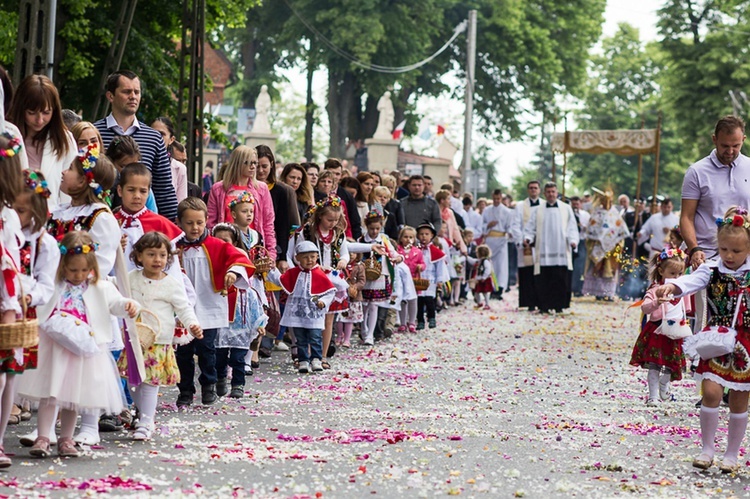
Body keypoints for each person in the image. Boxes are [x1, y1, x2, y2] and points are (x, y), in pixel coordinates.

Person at [22, 231, 138, 458]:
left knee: (73, 396)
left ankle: (66, 438)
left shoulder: (100, 287)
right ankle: (43, 436)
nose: (78, 275)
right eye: (73, 270)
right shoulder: (55, 285)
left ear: (92, 266)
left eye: (84, 270)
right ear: (61, 265)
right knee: (50, 393)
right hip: (53, 347)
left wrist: (129, 306)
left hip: (83, 349)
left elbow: (116, 303)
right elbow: (40, 300)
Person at [655, 206, 750, 473]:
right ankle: (707, 449)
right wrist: (670, 287)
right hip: (717, 339)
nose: (729, 256)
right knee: (710, 392)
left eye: (737, 251)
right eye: (724, 249)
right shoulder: (710, 269)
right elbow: (688, 281)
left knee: (739, 400)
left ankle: (731, 454)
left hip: (746, 343)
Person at [174, 197, 254, 407]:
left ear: (206, 221)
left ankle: (208, 385)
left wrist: (232, 272)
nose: (195, 227)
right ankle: (185, 390)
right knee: (183, 352)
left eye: (199, 222)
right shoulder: (173, 247)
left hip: (208, 305)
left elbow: (240, 259)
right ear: (179, 222)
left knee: (206, 349)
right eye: (189, 223)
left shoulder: (216, 245)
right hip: (182, 308)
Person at [125, 232, 202, 440]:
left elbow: (184, 308)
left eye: (162, 255)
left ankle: (147, 421)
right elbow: (113, 287)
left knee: (150, 382)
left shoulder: (172, 284)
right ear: (139, 256)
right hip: (134, 339)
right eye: (151, 254)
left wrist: (192, 324)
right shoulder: (130, 278)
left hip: (158, 342)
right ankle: (142, 413)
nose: (157, 260)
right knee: (133, 382)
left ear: (169, 257)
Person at [94, 71, 177, 220]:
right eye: (126, 91)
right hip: (100, 220)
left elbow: (164, 190)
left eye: (137, 92)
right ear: (110, 96)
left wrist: (171, 231)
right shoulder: (94, 134)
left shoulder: (154, 138)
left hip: (143, 227)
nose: (133, 96)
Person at [210, 224, 266, 398]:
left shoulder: (244, 284)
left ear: (234, 242)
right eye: (217, 240)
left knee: (238, 357)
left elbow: (253, 301)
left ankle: (238, 384)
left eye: (225, 240)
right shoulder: (210, 260)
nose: (221, 244)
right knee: (218, 356)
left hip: (240, 322)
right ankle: (220, 379)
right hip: (220, 319)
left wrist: (259, 323)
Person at [629, 246, 688, 407]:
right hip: (657, 330)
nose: (676, 278)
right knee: (654, 364)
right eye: (672, 274)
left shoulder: (683, 290)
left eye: (679, 274)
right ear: (661, 271)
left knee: (671, 364)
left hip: (675, 330)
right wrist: (657, 302)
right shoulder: (655, 289)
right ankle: (653, 395)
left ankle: (664, 385)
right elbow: (645, 307)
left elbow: (687, 310)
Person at [8, 74, 76, 209]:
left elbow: (70, 190)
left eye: (46, 112)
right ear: (21, 108)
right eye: (32, 112)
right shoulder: (7, 137)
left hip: (51, 221)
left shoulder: (64, 140)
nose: (39, 120)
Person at [113, 163, 184, 279]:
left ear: (149, 192)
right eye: (131, 190)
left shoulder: (160, 224)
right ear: (120, 190)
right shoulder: (110, 221)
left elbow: (172, 270)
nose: (137, 196)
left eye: (142, 191)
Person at [206, 145, 277, 261]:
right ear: (237, 163)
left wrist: (271, 254)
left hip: (254, 247)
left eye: (254, 163)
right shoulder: (218, 188)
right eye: (248, 163)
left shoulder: (261, 188)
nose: (253, 166)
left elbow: (268, 223)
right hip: (226, 247)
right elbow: (211, 223)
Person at [279, 241, 336, 374]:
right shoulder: (293, 273)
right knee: (300, 338)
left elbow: (330, 292)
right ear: (297, 258)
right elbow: (281, 280)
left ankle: (316, 358)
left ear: (317, 257)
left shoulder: (320, 274)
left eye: (312, 257)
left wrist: (323, 301)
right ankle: (303, 359)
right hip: (298, 313)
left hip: (313, 314)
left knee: (315, 337)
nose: (309, 260)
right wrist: (270, 271)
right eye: (305, 257)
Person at [523, 182, 579, 314]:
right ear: (544, 193)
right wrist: (528, 238)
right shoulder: (538, 209)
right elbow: (530, 227)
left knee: (559, 279)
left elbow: (572, 227)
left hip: (560, 248)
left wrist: (573, 240)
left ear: (557, 192)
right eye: (548, 192)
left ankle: (559, 305)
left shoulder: (566, 208)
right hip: (543, 250)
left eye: (553, 192)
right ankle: (544, 306)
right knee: (544, 280)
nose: (551, 194)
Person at [358, 211, 401, 346]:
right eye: (372, 229)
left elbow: (393, 253)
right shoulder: (361, 240)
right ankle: (364, 328)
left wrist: (397, 258)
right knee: (363, 305)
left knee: (374, 305)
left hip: (379, 276)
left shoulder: (383, 240)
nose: (374, 231)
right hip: (365, 277)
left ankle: (370, 334)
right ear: (366, 226)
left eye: (377, 228)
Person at [256, 145, 300, 272]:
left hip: (273, 248)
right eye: (257, 166)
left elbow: (283, 226)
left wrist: (282, 257)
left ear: (271, 165)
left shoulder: (281, 190)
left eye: (264, 166)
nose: (260, 171)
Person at [582, 189, 629, 301]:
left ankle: (609, 293)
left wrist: (614, 241)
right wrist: (597, 238)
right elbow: (591, 228)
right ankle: (598, 293)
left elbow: (621, 228)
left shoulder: (615, 213)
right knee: (598, 270)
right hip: (597, 246)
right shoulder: (596, 213)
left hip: (612, 247)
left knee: (610, 271)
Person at [105, 136, 158, 213]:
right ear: (111, 162)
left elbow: (153, 217)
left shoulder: (144, 189)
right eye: (123, 166)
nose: (130, 172)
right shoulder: (103, 187)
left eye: (134, 166)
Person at [511, 181, 541, 310]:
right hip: (526, 245)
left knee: (539, 273)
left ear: (539, 190)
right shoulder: (520, 206)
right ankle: (528, 302)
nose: (533, 190)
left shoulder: (545, 205)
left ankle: (540, 300)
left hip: (540, 245)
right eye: (531, 188)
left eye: (535, 188)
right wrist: (521, 240)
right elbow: (515, 225)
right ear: (528, 190)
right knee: (527, 273)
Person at [415, 222, 447, 329]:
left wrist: (440, 280)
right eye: (421, 234)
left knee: (430, 300)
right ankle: (420, 320)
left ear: (432, 236)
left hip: (431, 279)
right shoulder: (415, 250)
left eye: (426, 234)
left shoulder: (435, 251)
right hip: (418, 279)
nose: (424, 236)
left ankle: (432, 317)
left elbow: (440, 267)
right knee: (419, 301)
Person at [482, 189, 512, 299]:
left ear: (501, 198)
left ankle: (499, 289)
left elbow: (510, 227)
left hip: (501, 240)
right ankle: (489, 287)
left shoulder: (507, 211)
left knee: (501, 266)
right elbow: (482, 224)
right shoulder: (487, 210)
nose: (496, 201)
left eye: (498, 199)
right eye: (494, 199)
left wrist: (509, 233)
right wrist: (488, 225)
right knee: (490, 265)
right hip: (490, 240)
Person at [151, 117, 188, 203]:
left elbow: (180, 203)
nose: (156, 138)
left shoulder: (179, 168)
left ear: (171, 139)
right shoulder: (142, 161)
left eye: (161, 134)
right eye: (153, 133)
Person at [324, 158, 362, 240]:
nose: (334, 177)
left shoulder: (347, 196)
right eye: (331, 173)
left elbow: (354, 222)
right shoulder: (316, 193)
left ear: (341, 175)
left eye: (337, 174)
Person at [397, 226, 424, 333]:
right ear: (401, 238)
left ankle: (412, 322)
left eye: (411, 237)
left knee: (413, 300)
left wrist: (420, 267)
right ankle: (403, 323)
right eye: (405, 237)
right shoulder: (398, 250)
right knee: (403, 301)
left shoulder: (417, 251)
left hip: (413, 278)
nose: (408, 239)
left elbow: (422, 263)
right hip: (402, 279)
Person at [336, 254, 365, 348]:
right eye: (349, 252)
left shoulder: (359, 266)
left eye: (354, 252)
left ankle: (347, 339)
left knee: (350, 319)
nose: (351, 255)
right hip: (341, 295)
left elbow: (362, 281)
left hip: (353, 297)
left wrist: (354, 287)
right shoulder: (339, 265)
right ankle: (339, 335)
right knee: (339, 318)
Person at [569, 196, 590, 297]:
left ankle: (577, 288)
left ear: (580, 204)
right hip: (570, 242)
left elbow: (591, 228)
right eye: (573, 204)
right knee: (569, 265)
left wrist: (585, 227)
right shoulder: (568, 214)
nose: (575, 206)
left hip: (581, 241)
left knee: (579, 266)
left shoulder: (585, 215)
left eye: (577, 204)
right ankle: (569, 287)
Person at [472, 244, 494, 310]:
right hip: (479, 279)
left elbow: (488, 270)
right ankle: (479, 303)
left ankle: (487, 304)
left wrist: (484, 277)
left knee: (485, 292)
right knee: (476, 292)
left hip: (484, 279)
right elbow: (473, 261)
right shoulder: (480, 261)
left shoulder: (486, 261)